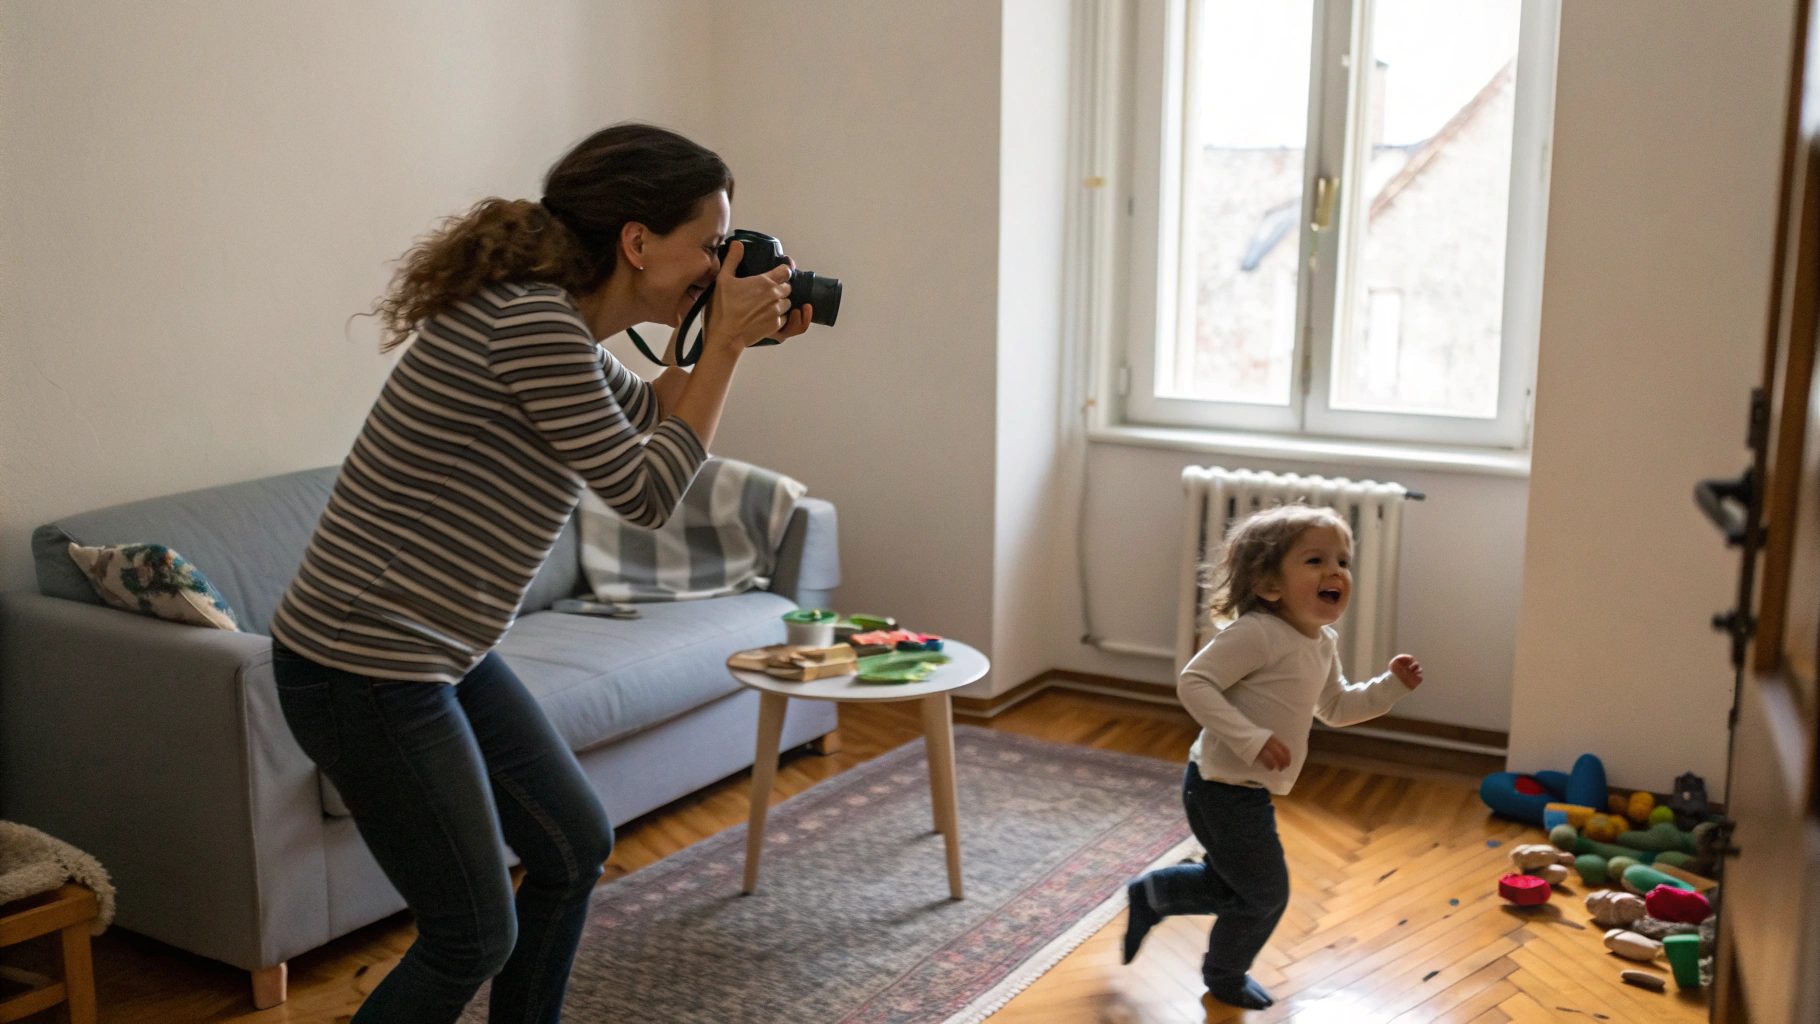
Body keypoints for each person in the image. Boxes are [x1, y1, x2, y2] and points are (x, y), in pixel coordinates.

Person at [267, 123, 812, 1023]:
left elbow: (656, 411)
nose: (720, 267)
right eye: (710, 246)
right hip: (361, 664)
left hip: (436, 654)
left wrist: (734, 340)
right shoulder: (529, 323)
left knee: (571, 846)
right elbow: (647, 493)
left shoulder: (559, 330)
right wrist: (721, 346)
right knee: (471, 936)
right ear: (637, 242)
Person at [1121, 504, 1425, 1009]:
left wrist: (1390, 687)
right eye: (1315, 561)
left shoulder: (1320, 642)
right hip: (1219, 788)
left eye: (1343, 562)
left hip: (1245, 789)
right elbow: (1194, 683)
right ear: (1268, 585)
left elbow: (1336, 707)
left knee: (1237, 884)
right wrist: (1250, 738)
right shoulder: (1257, 633)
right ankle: (1224, 975)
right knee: (1264, 895)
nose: (1335, 572)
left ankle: (1156, 894)